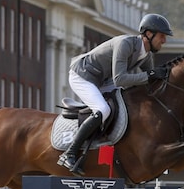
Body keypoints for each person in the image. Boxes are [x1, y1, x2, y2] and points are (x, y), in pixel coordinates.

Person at [58, 13, 173, 174]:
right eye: (162, 36)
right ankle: (69, 153)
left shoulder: (146, 54)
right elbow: (120, 79)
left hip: (102, 80)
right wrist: (151, 75)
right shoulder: (125, 43)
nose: (164, 41)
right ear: (148, 34)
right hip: (82, 75)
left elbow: (151, 83)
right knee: (103, 109)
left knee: (125, 103)